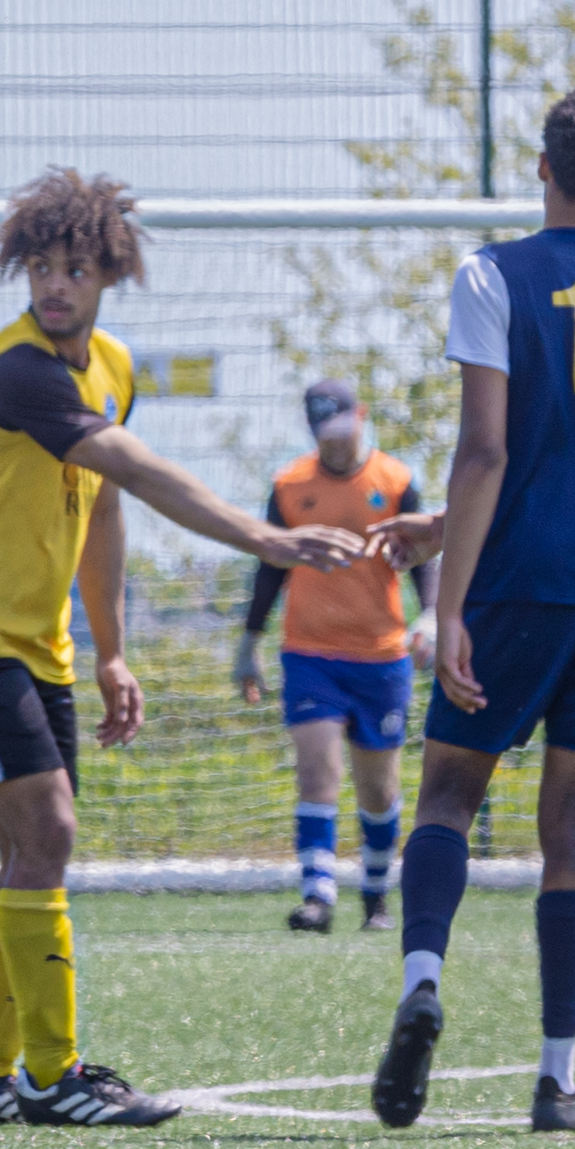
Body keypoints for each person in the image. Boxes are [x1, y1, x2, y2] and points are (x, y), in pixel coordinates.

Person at [0, 169, 363, 1131]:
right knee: (50, 835)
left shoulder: (111, 363)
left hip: (37, 642)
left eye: (75, 268)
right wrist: (266, 538)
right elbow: (135, 470)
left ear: (108, 273)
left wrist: (109, 652)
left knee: (29, 847)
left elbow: (100, 505)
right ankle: (52, 1072)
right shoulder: (18, 368)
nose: (56, 284)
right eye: (41, 266)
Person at [365, 86, 575, 1137]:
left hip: (521, 578)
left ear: (540, 166)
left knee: (449, 791)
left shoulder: (492, 271)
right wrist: (442, 523)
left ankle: (420, 976)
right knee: (572, 826)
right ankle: (556, 1079)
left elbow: (495, 446)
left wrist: (447, 596)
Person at [234, 379, 436, 933]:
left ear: (361, 417)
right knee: (317, 771)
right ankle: (318, 897)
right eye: (325, 433)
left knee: (378, 789)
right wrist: (248, 645)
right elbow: (269, 569)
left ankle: (375, 895)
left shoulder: (395, 481)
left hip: (382, 657)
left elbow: (423, 557)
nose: (337, 443)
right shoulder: (290, 485)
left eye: (344, 429)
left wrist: (432, 617)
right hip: (310, 654)